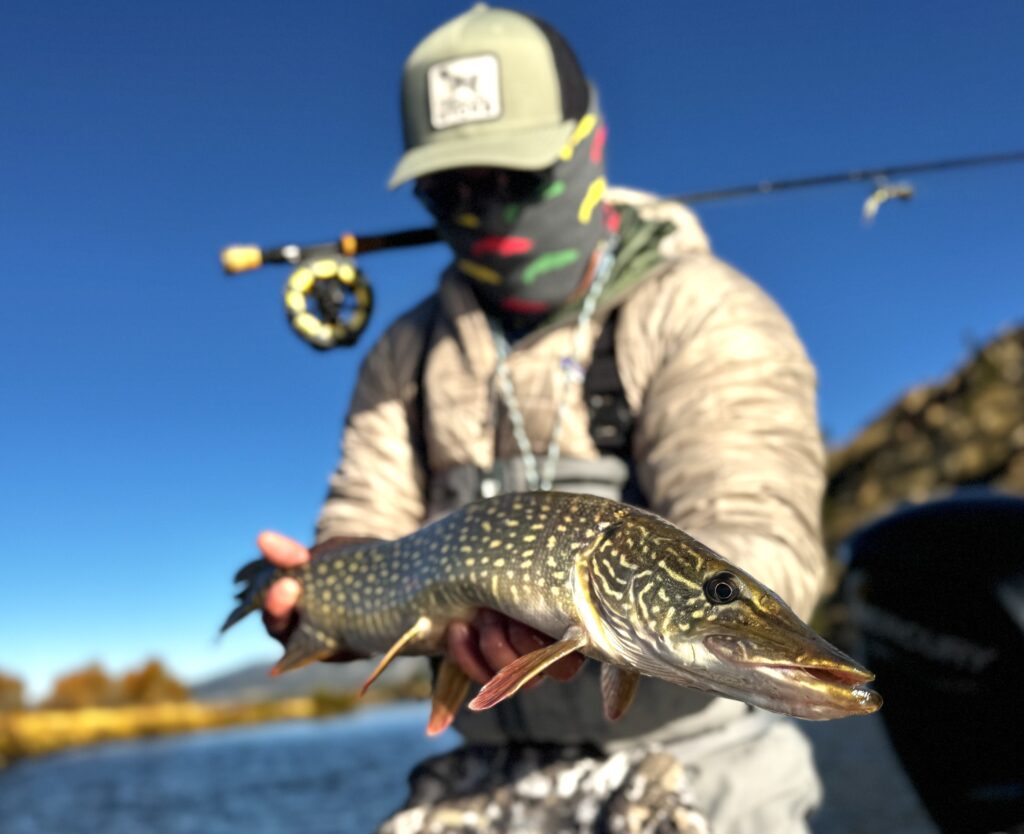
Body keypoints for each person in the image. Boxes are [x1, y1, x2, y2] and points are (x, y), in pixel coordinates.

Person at [259, 5, 828, 832]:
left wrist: (625, 620)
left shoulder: (704, 311)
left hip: (694, 742)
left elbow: (756, 523)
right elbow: (364, 516)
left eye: (514, 177)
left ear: (586, 148)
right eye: (452, 189)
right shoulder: (405, 354)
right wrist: (315, 603)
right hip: (485, 757)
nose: (485, 210)